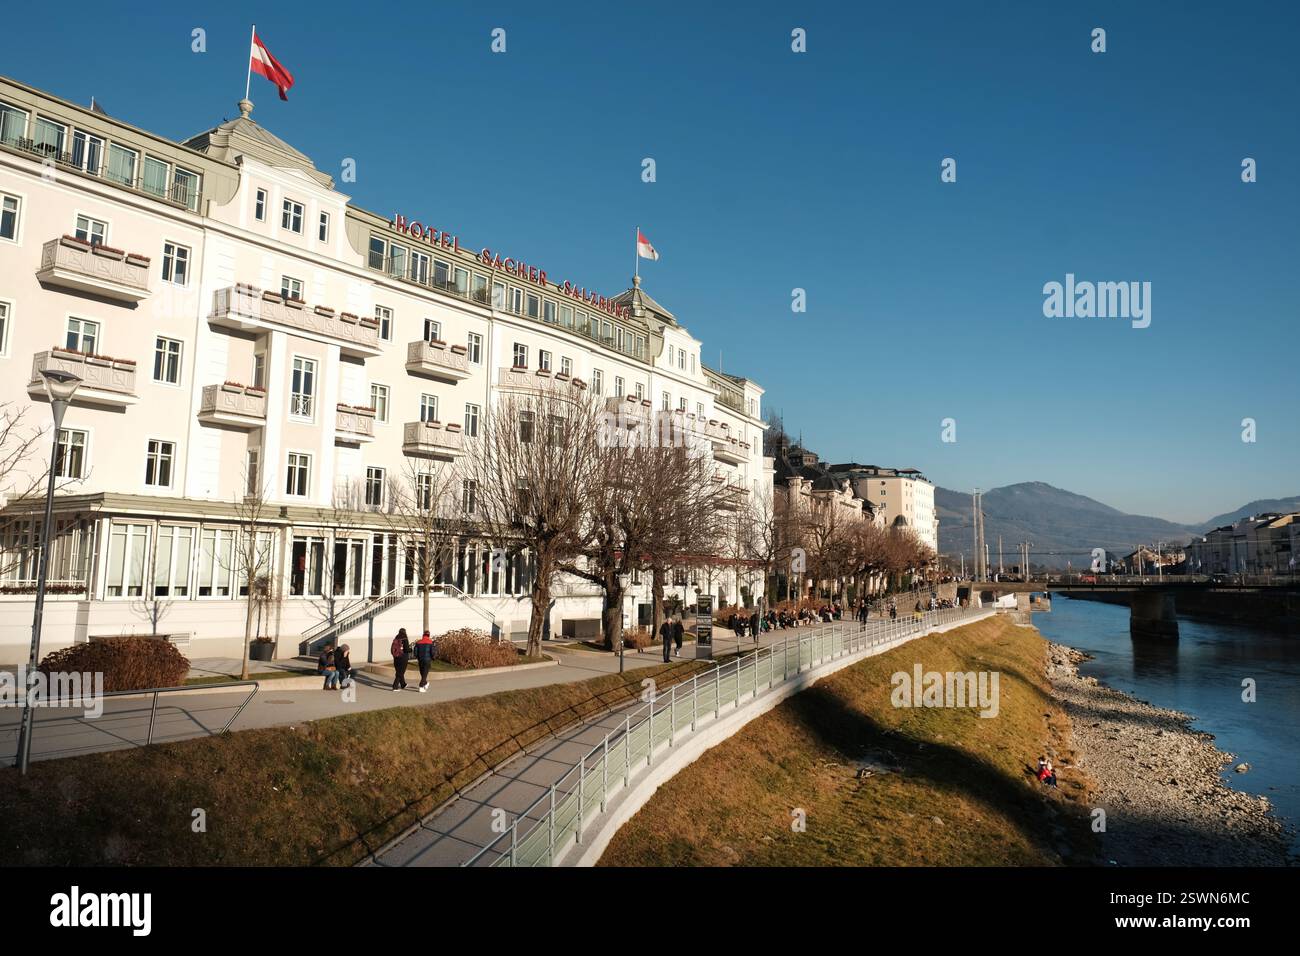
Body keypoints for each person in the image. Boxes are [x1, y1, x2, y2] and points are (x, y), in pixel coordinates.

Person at [391, 627, 411, 692]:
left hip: (396, 657)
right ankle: (395, 686)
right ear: (405, 632)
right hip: (403, 657)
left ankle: (403, 684)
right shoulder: (404, 638)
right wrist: (411, 649)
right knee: (400, 672)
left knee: (399, 671)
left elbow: (392, 649)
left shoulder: (396, 638)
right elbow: (406, 649)